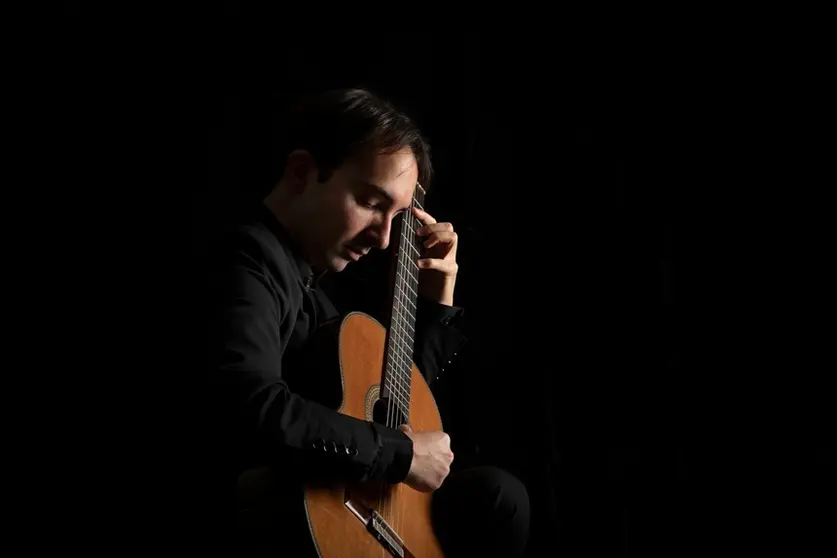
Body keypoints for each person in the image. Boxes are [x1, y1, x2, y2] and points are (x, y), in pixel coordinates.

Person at [196, 87, 530, 557]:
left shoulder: (315, 291)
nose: (384, 238)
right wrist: (401, 454)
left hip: (330, 496)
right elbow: (248, 405)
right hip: (251, 510)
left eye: (396, 216)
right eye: (372, 202)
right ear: (301, 173)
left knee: (497, 497)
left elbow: (394, 404)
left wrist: (437, 302)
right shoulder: (246, 261)